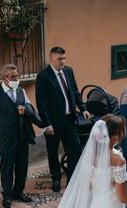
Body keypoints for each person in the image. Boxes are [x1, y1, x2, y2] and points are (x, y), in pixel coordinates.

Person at [0, 64, 44, 208]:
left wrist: (26, 110)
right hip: (6, 136)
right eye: (13, 77)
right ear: (4, 78)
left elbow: (30, 107)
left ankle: (18, 192)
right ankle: (7, 195)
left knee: (22, 165)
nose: (16, 78)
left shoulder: (21, 91)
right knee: (7, 166)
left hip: (22, 134)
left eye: (17, 75)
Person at [35, 46, 91, 192]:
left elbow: (75, 91)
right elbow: (41, 103)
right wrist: (47, 124)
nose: (63, 61)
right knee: (53, 152)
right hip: (53, 123)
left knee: (74, 151)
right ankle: (56, 179)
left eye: (64, 58)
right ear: (51, 59)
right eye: (60, 59)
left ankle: (72, 180)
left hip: (70, 120)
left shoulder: (68, 71)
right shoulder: (43, 76)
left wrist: (83, 109)